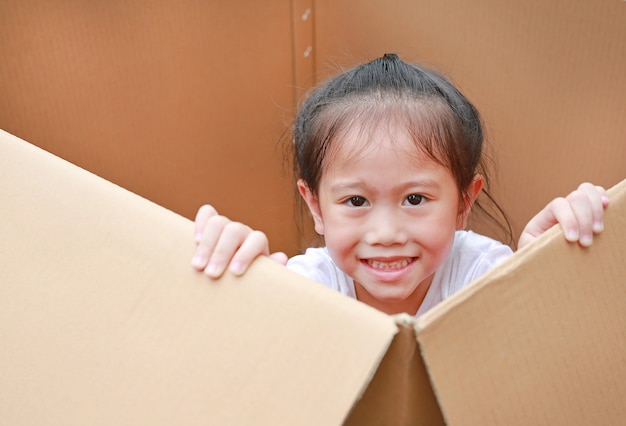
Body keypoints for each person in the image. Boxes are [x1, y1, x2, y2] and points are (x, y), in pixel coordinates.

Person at [191, 53, 608, 317]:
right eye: (356, 200)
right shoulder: (305, 288)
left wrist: (550, 272)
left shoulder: (483, 275)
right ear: (316, 206)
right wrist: (235, 285)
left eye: (414, 199)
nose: (386, 234)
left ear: (464, 202)